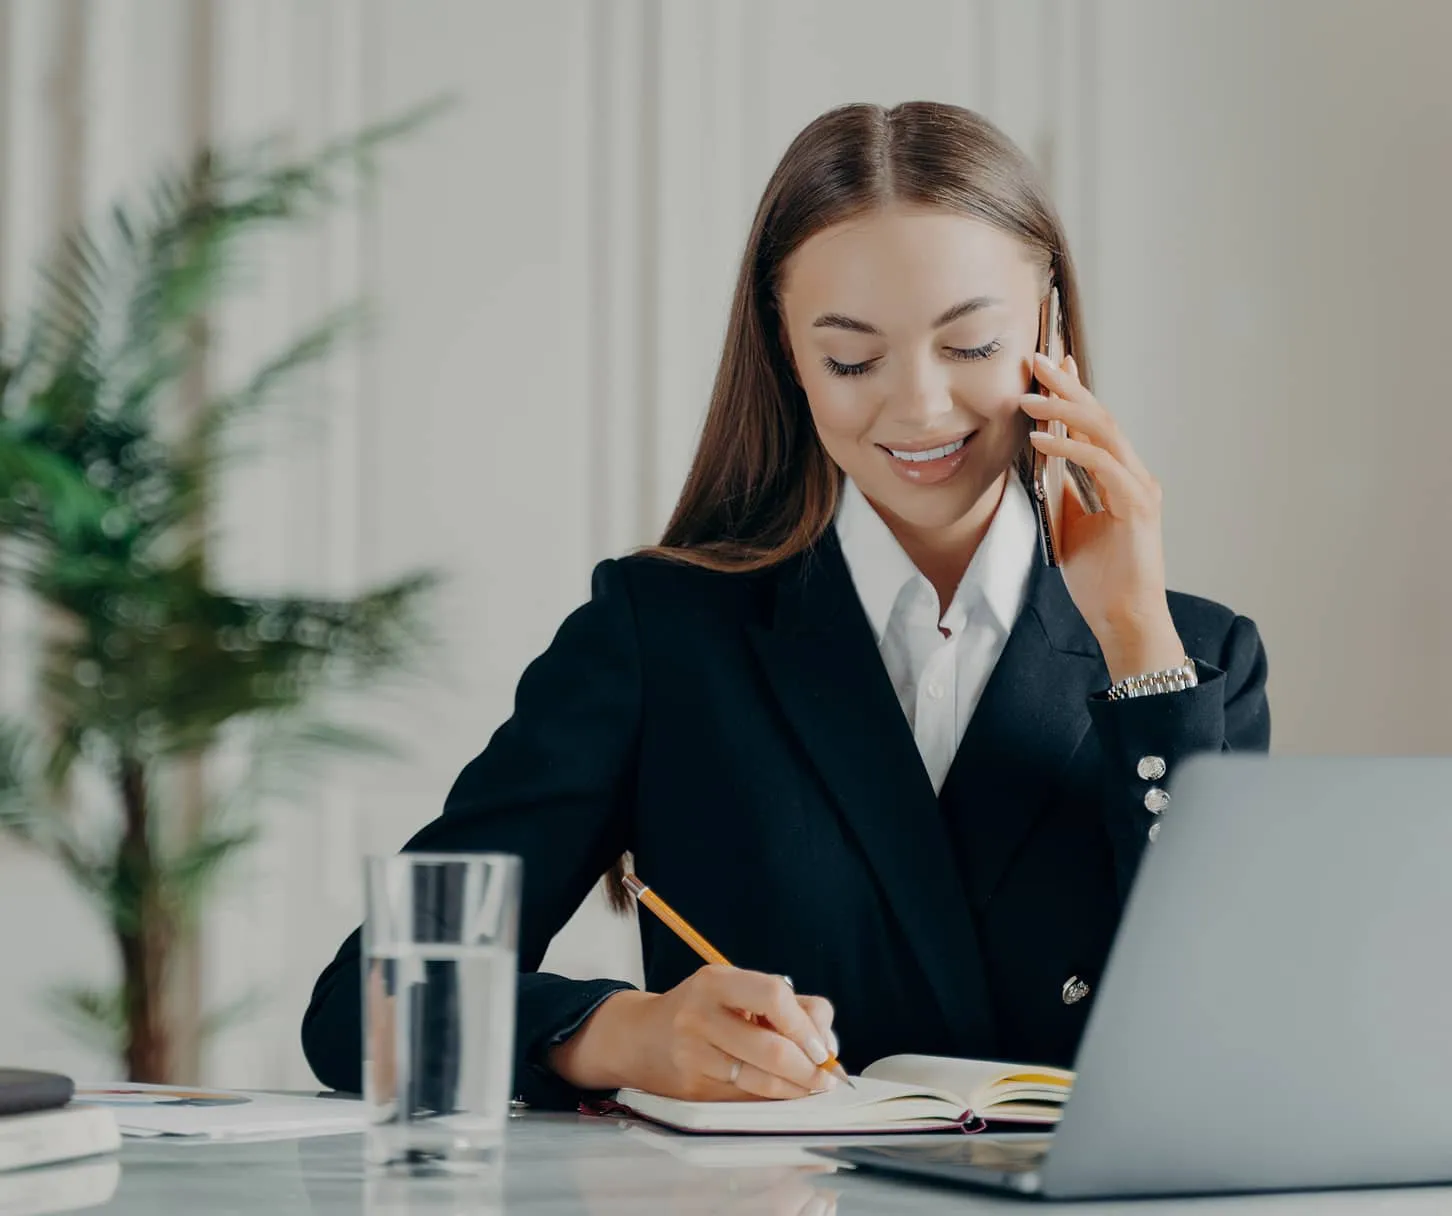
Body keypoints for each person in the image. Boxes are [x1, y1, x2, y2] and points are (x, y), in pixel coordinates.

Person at [302, 101, 1270, 1109]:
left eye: (973, 345)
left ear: (1050, 323)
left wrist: (1136, 636)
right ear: (787, 350)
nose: (920, 407)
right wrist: (621, 1033)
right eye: (852, 358)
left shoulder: (1195, 658)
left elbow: (1242, 1029)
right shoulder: (660, 635)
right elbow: (362, 999)